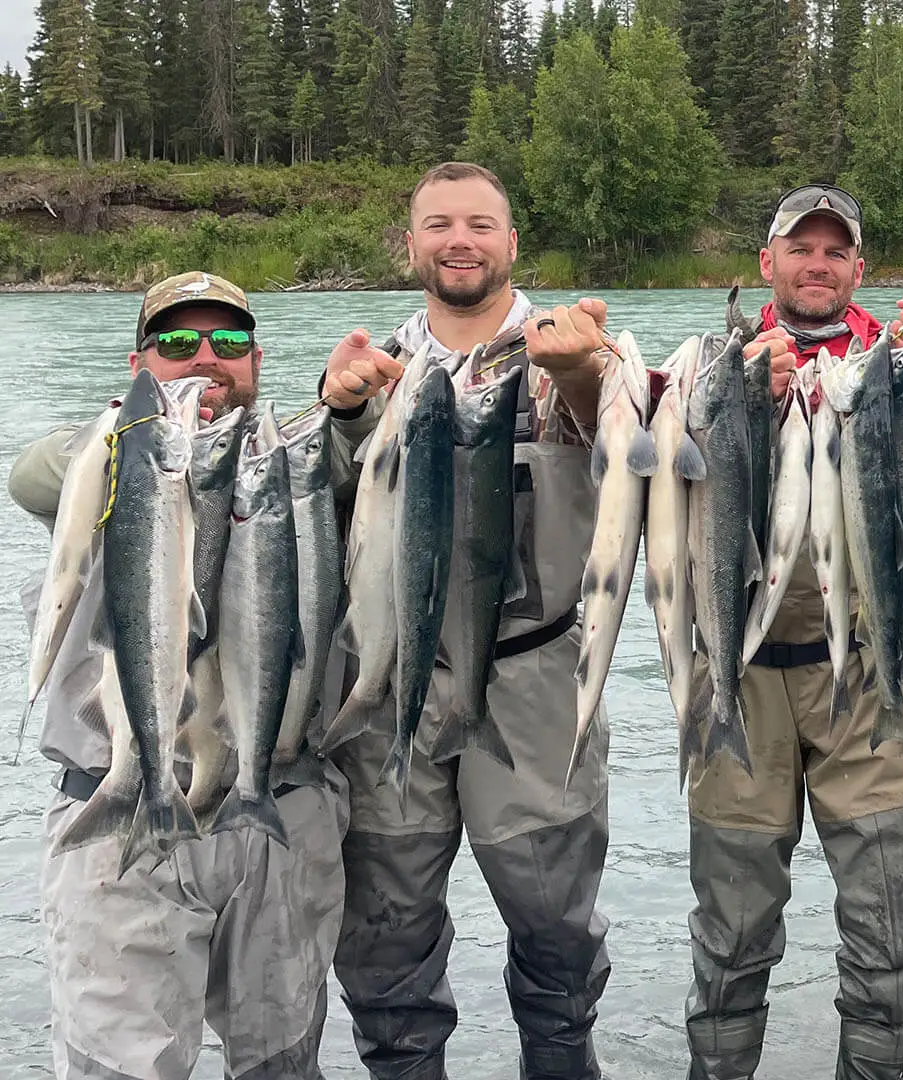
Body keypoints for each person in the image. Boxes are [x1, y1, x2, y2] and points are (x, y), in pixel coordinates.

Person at [316, 161, 618, 1080]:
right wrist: (339, 416)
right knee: (386, 945)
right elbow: (314, 515)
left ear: (511, 242)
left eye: (481, 224)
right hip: (389, 681)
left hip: (535, 683)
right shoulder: (367, 369)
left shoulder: (575, 349)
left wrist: (585, 378)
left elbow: (635, 459)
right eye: (440, 224)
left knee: (557, 937)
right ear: (410, 244)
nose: (460, 241)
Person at [10, 271, 351, 1080]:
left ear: (257, 359)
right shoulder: (99, 462)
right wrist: (144, 443)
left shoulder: (299, 464)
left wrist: (352, 406)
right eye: (176, 342)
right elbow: (29, 475)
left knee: (283, 1065)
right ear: (139, 366)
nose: (205, 357)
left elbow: (362, 453)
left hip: (280, 817)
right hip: (123, 813)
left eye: (228, 341)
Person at [679, 184, 903, 1080]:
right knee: (731, 931)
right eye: (800, 247)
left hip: (866, 675)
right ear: (768, 263)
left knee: (890, 924)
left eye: (836, 250)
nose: (818, 264)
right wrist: (738, 400)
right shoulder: (710, 364)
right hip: (738, 679)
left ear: (860, 268)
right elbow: (632, 445)